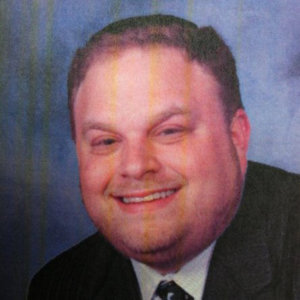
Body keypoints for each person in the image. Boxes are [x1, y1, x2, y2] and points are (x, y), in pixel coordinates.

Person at [28, 15, 299, 300]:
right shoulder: (58, 288)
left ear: (237, 136)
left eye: (169, 131)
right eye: (106, 140)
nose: (135, 166)